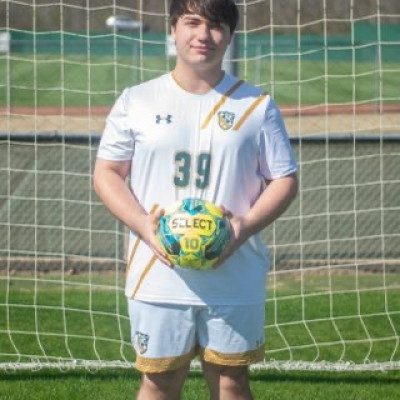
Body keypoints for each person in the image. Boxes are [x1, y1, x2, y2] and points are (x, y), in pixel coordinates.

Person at [93, 0, 298, 398]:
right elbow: (107, 173)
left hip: (235, 270)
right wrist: (143, 226)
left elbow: (284, 180)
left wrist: (242, 228)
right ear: (173, 29)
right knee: (159, 381)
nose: (204, 35)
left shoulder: (256, 105)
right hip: (158, 272)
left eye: (216, 25)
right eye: (192, 23)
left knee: (231, 381)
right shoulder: (137, 100)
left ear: (231, 35)